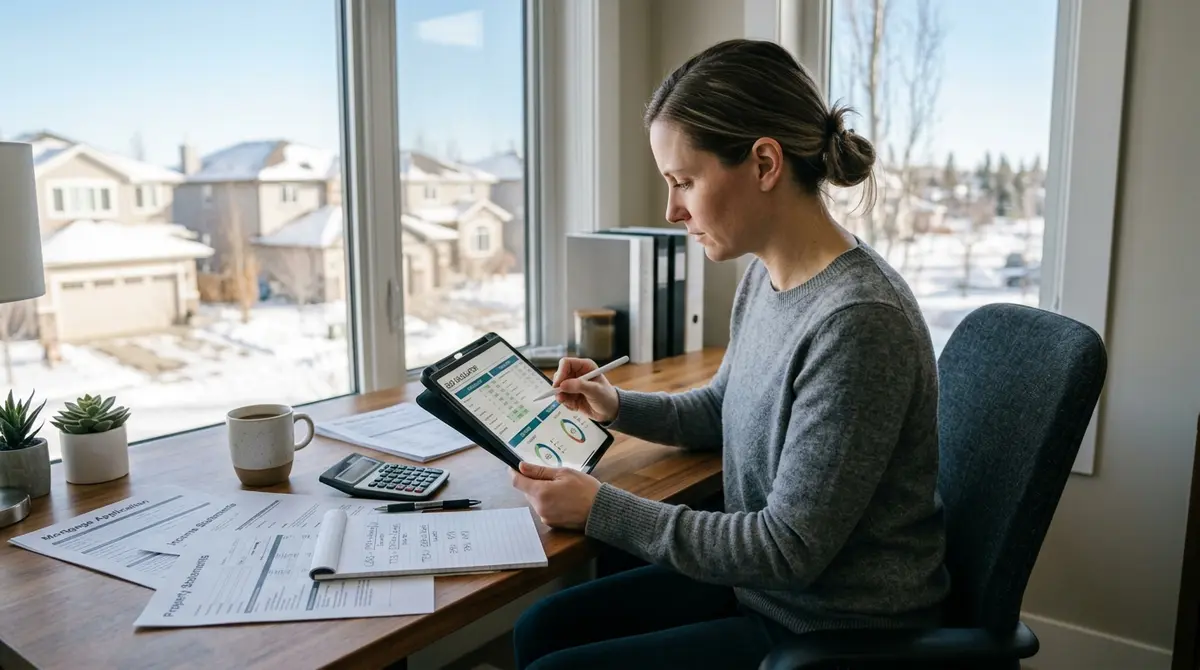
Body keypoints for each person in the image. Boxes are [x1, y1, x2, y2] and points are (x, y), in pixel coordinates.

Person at [508, 38, 951, 670]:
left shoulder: (858, 323)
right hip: (762, 591)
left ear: (765, 164)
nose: (671, 210)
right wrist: (615, 405)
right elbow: (724, 408)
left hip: (830, 628)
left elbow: (787, 547)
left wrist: (601, 507)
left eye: (683, 181)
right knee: (541, 629)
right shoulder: (767, 276)